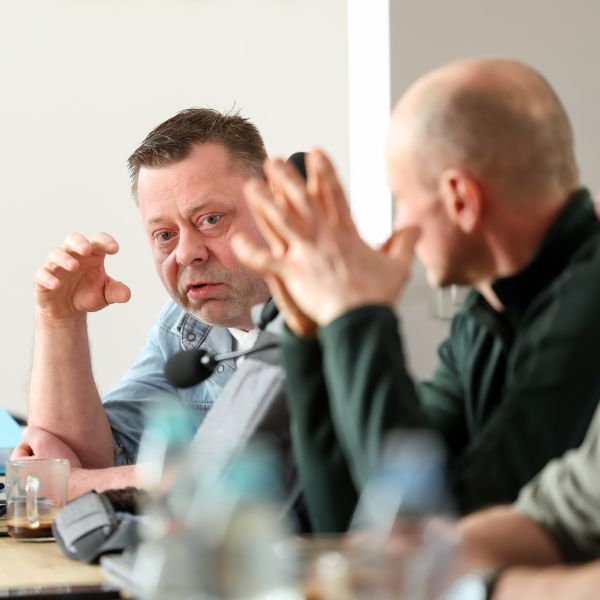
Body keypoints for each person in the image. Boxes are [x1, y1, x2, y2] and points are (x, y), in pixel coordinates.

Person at [232, 57, 600, 532]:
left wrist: (357, 313)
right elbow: (353, 525)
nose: (397, 224)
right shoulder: (485, 309)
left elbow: (433, 532)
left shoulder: (586, 304)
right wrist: (311, 334)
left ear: (460, 200)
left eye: (401, 198)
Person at [14, 108, 272, 498]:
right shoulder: (187, 327)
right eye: (165, 234)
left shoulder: (331, 309)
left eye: (210, 219)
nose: (186, 254)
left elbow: (272, 479)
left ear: (274, 206)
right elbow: (81, 459)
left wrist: (89, 483)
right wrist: (60, 318)